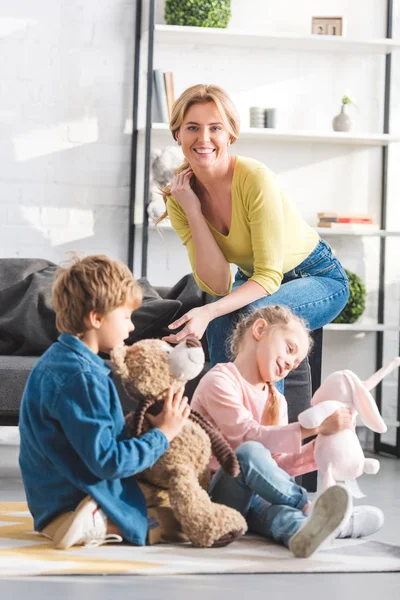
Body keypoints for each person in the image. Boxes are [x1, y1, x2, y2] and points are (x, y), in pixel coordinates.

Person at [159, 83, 349, 394]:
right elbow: (218, 284)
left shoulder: (254, 178)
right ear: (177, 133)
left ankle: (266, 428)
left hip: (318, 276)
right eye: (192, 127)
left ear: (230, 134)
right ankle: (225, 427)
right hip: (255, 279)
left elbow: (270, 275)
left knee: (257, 320)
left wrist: (208, 311)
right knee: (223, 320)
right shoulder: (180, 198)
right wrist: (193, 211)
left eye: (215, 128)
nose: (203, 138)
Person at [18, 254, 191, 550]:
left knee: (161, 496)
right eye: (125, 317)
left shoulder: (60, 361)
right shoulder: (81, 377)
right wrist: (163, 434)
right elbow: (108, 463)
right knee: (177, 520)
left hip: (49, 498)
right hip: (73, 497)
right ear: (96, 318)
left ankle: (86, 518)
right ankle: (98, 522)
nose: (132, 327)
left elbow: (90, 437)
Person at [190, 305, 384, 557]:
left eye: (295, 364)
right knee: (248, 453)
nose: (289, 365)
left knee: (280, 516)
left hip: (251, 501)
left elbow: (276, 466)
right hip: (215, 496)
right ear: (259, 329)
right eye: (289, 349)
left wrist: (319, 449)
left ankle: (313, 529)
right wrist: (312, 428)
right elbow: (248, 437)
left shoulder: (276, 400)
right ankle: (310, 508)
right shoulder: (219, 381)